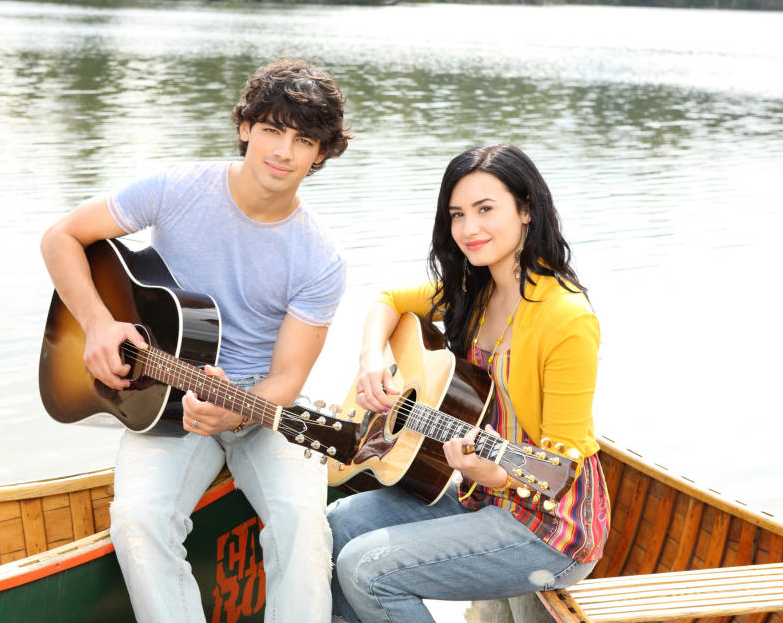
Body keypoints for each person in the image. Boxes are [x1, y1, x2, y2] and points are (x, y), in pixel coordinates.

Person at [40, 58, 351, 623]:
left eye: (303, 140)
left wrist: (236, 415)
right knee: (138, 519)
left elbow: (287, 380)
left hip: (257, 403)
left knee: (305, 525)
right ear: (245, 128)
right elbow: (61, 237)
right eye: (271, 130)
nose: (283, 152)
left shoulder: (320, 257)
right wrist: (99, 324)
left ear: (321, 154)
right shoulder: (177, 189)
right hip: (162, 396)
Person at [329, 143, 610, 623]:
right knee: (335, 526)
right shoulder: (473, 293)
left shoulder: (567, 319)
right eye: (457, 214)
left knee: (366, 568)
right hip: (475, 498)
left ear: (525, 210)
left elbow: (560, 462)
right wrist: (372, 359)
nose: (469, 229)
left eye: (486, 209)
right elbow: (389, 299)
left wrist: (491, 473)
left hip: (549, 528)